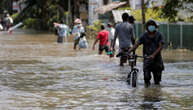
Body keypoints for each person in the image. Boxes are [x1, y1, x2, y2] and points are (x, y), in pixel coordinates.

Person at [129, 19, 164, 87]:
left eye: (152, 25)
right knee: (146, 78)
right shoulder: (143, 35)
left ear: (155, 26)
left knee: (157, 81)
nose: (151, 27)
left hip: (157, 61)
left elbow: (160, 47)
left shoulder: (159, 35)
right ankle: (147, 95)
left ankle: (156, 95)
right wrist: (129, 51)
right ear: (147, 27)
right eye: (149, 25)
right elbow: (137, 44)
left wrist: (153, 55)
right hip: (147, 60)